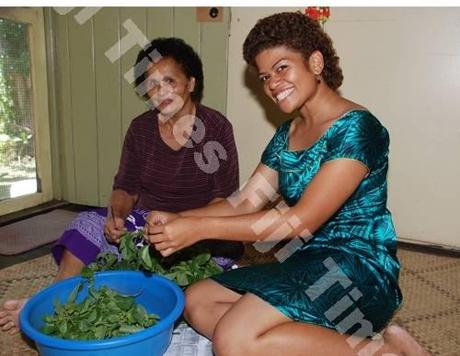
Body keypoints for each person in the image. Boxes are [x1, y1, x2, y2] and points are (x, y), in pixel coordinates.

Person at [144, 13, 430, 356]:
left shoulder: (358, 129)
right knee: (196, 300)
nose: (272, 84)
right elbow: (245, 201)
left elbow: (300, 222)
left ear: (315, 62)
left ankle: (382, 353)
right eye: (265, 76)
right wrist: (180, 220)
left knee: (234, 338)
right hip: (308, 265)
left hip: (358, 270)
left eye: (282, 68)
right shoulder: (286, 135)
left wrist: (199, 228)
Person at [0, 37, 243, 335]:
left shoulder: (216, 129)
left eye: (170, 80)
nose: (161, 91)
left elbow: (226, 201)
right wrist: (117, 214)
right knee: (89, 223)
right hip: (147, 225)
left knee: (196, 275)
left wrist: (183, 224)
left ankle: (132, 288)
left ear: (191, 83)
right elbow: (125, 188)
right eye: (152, 84)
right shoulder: (141, 129)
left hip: (200, 231)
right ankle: (55, 299)